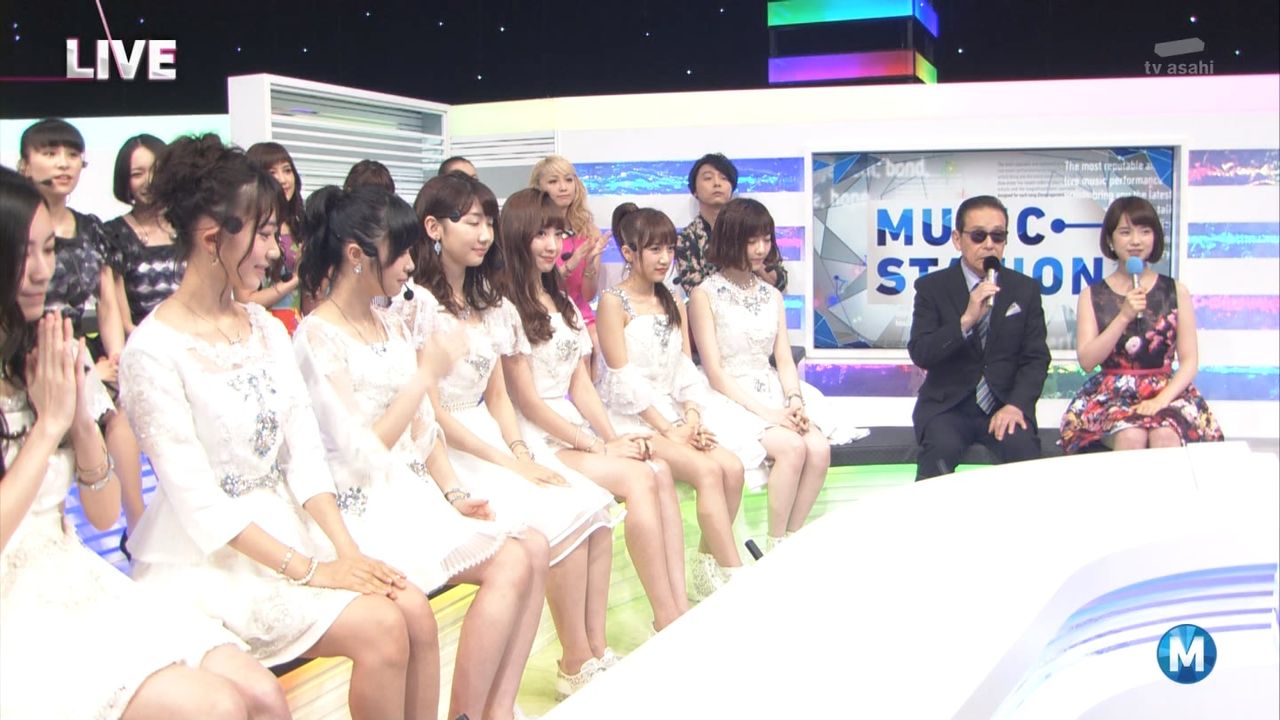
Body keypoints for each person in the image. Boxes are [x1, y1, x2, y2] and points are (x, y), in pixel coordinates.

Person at [118, 134, 431, 720]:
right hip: (211, 563)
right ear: (213, 239)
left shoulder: (264, 327)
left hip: (293, 528)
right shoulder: (152, 351)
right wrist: (313, 570)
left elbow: (302, 452)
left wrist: (346, 552)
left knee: (402, 611)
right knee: (383, 627)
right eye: (263, 235)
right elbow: (200, 506)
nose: (274, 250)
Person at [0, 166, 289, 720]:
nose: (41, 271)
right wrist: (48, 428)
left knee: (262, 694)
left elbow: (101, 512)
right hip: (18, 610)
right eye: (22, 253)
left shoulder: (47, 351)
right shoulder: (150, 344)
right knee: (216, 707)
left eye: (48, 250)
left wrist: (79, 420)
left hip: (72, 576)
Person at [294, 184, 549, 720]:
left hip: (413, 491)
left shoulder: (389, 322)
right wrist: (426, 375)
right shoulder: (317, 337)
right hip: (363, 503)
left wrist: (454, 492)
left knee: (529, 550)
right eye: (402, 252)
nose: (412, 265)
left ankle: (487, 710)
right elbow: (362, 450)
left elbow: (423, 428)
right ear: (357, 255)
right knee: (441, 602)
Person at [389, 172, 622, 699]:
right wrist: (509, 461)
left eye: (489, 223)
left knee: (592, 507)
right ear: (433, 228)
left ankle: (587, 654)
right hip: (446, 446)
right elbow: (432, 413)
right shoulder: (414, 305)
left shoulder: (490, 302)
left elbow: (497, 396)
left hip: (491, 436)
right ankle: (569, 662)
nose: (484, 234)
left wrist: (519, 451)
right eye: (473, 222)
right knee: (559, 520)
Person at [498, 188, 689, 634]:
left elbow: (580, 383)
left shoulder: (562, 301)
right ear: (517, 236)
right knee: (640, 478)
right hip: (535, 436)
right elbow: (527, 401)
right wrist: (597, 445)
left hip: (573, 426)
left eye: (556, 234)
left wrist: (611, 438)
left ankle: (677, 607)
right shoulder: (506, 306)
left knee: (658, 469)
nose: (552, 245)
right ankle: (665, 617)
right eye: (540, 234)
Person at [597, 203, 768, 599]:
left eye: (670, 249)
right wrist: (669, 429)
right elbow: (621, 377)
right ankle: (737, 577)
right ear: (629, 253)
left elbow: (684, 367)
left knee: (732, 467)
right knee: (707, 472)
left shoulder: (673, 298)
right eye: (654, 249)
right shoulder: (612, 302)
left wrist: (691, 418)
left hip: (675, 414)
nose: (665, 259)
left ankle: (707, 565)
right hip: (634, 418)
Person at [688, 198, 846, 552]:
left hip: (772, 388)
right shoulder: (704, 294)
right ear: (731, 240)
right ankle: (774, 547)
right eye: (752, 241)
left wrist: (794, 401)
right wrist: (770, 415)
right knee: (792, 448)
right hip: (728, 395)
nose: (761, 249)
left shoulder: (772, 295)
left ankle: (789, 542)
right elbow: (715, 372)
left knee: (818, 448)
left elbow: (784, 359)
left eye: (766, 239)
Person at [18, 118, 143, 560]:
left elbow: (107, 302)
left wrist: (115, 359)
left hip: (76, 354)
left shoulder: (92, 230)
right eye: (50, 153)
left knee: (119, 418)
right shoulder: (12, 224)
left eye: (72, 154)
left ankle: (137, 525)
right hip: (22, 350)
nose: (63, 164)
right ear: (24, 163)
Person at [1060, 196, 1224, 452]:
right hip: (1113, 396)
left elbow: (1189, 361)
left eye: (1144, 231)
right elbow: (1087, 360)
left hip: (1167, 392)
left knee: (1165, 435)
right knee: (1131, 436)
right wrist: (1124, 316)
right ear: (1110, 240)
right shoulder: (1092, 295)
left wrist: (1161, 401)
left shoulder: (1175, 291)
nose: (1135, 241)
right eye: (1125, 232)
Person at [907, 194, 1050, 480]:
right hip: (948, 407)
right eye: (978, 236)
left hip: (1003, 404)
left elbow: (1035, 359)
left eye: (998, 236)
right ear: (957, 239)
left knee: (1025, 454)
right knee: (939, 454)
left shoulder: (1024, 289)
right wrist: (966, 321)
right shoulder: (932, 288)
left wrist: (1016, 405)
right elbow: (921, 352)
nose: (989, 244)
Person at [530, 156, 609, 372]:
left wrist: (590, 265)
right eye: (553, 181)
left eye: (568, 179)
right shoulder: (532, 229)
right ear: (539, 187)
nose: (563, 187)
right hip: (544, 309)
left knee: (596, 345)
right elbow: (538, 286)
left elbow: (588, 295)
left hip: (579, 310)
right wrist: (571, 264)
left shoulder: (588, 230)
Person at [673, 153, 787, 297]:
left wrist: (751, 257)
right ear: (694, 190)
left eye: (724, 178)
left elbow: (780, 281)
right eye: (708, 178)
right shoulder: (687, 238)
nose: (717, 183)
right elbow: (693, 287)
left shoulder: (753, 225)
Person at [103, 133, 182, 333]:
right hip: (140, 343)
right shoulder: (113, 234)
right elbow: (121, 321)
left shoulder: (187, 227)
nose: (150, 181)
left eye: (157, 171)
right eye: (137, 174)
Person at [243, 142, 306, 332]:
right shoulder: (248, 230)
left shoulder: (300, 224)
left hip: (298, 327)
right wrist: (295, 279)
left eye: (287, 170)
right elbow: (245, 299)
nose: (283, 179)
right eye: (272, 173)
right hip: (263, 328)